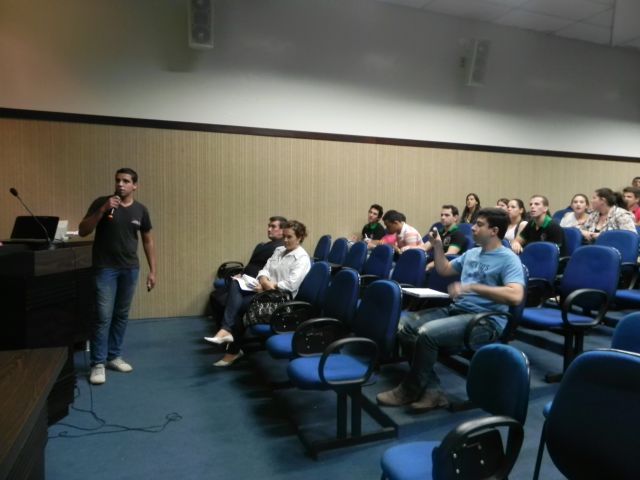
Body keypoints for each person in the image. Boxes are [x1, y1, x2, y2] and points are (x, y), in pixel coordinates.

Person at [376, 208, 524, 411]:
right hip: (458, 310)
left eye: (479, 224)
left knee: (426, 334)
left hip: (485, 320)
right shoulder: (472, 253)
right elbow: (444, 269)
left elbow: (516, 295)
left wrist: (473, 287)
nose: (473, 228)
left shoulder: (508, 259)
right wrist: (437, 247)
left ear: (494, 231)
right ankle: (432, 390)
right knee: (404, 325)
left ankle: (410, 389)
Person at [79, 168, 157, 385]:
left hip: (130, 268)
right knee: (103, 316)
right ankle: (98, 363)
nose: (120, 184)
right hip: (105, 268)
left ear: (135, 186)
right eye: (117, 180)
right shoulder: (102, 203)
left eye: (125, 181)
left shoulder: (141, 210)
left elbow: (148, 240)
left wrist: (153, 271)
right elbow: (83, 230)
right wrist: (102, 210)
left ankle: (114, 356)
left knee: (121, 315)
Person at [205, 220, 311, 367]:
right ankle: (227, 334)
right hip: (265, 292)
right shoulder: (279, 250)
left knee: (237, 307)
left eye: (289, 237)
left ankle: (231, 346)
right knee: (236, 284)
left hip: (280, 301)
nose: (285, 240)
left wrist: (268, 286)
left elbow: (290, 285)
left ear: (299, 238)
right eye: (284, 236)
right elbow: (264, 270)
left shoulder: (302, 258)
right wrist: (264, 281)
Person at [209, 216, 286, 320]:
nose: (269, 229)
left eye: (273, 227)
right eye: (268, 226)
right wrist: (241, 273)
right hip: (245, 278)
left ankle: (228, 327)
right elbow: (252, 264)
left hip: (255, 283)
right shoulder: (263, 245)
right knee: (215, 295)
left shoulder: (280, 249)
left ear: (282, 230)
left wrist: (263, 285)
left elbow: (273, 272)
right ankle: (225, 326)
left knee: (225, 298)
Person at [423, 205, 467, 269]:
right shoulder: (440, 233)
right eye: (442, 215)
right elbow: (424, 247)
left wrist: (430, 265)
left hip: (444, 268)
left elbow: (449, 255)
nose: (443, 217)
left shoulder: (458, 235)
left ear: (455, 218)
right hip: (432, 261)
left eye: (447, 215)